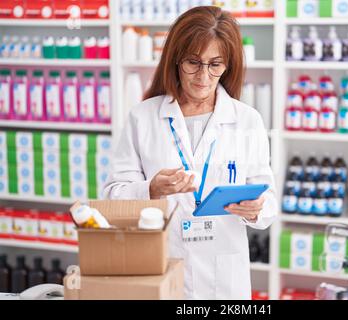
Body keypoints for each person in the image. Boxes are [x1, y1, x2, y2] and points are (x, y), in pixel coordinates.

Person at [103, 6, 277, 299]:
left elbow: (268, 200)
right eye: (193, 63)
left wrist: (257, 207)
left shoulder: (248, 120)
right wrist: (151, 189)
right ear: (175, 59)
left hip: (225, 276)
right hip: (162, 265)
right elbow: (111, 197)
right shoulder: (142, 117)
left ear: (228, 65)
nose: (204, 76)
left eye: (215, 64)